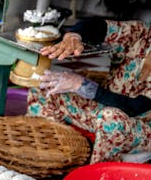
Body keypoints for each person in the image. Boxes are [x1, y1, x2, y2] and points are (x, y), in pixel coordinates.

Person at [26, 18, 151, 163]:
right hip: (104, 107)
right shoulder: (143, 35)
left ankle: (96, 179)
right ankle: (51, 160)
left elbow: (134, 107)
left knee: (112, 119)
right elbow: (98, 26)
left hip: (141, 128)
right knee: (45, 88)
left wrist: (81, 85)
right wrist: (74, 36)